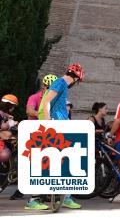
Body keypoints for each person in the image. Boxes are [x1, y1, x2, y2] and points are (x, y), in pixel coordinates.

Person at [25, 63, 85, 211]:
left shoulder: (62, 84)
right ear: (77, 79)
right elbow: (46, 102)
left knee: (63, 163)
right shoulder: (60, 82)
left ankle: (65, 197)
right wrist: (48, 123)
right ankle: (33, 200)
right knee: (48, 162)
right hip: (54, 128)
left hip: (61, 126)